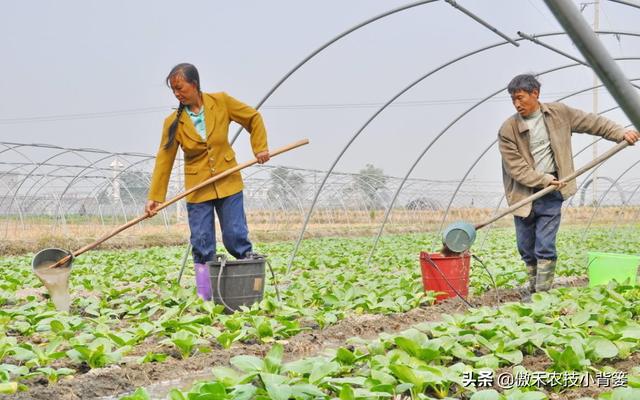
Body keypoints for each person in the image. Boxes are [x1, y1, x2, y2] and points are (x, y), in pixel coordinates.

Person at [498, 74, 638, 295]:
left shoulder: (559, 114)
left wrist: (621, 133)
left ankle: (541, 293)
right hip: (524, 194)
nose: (517, 104)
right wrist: (543, 179)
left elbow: (593, 123)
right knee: (526, 247)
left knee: (544, 244)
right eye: (513, 99)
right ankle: (534, 286)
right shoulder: (508, 129)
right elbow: (515, 167)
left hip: (554, 188)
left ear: (535, 94)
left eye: (520, 98)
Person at [145, 63, 269, 300]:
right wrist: (155, 197)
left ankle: (250, 292)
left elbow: (253, 118)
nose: (177, 94)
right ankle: (205, 294)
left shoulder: (220, 102)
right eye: (173, 90)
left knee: (236, 237)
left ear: (195, 84)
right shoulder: (173, 122)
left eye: (180, 88)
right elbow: (164, 160)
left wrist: (260, 148)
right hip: (198, 189)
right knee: (202, 245)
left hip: (228, 182)